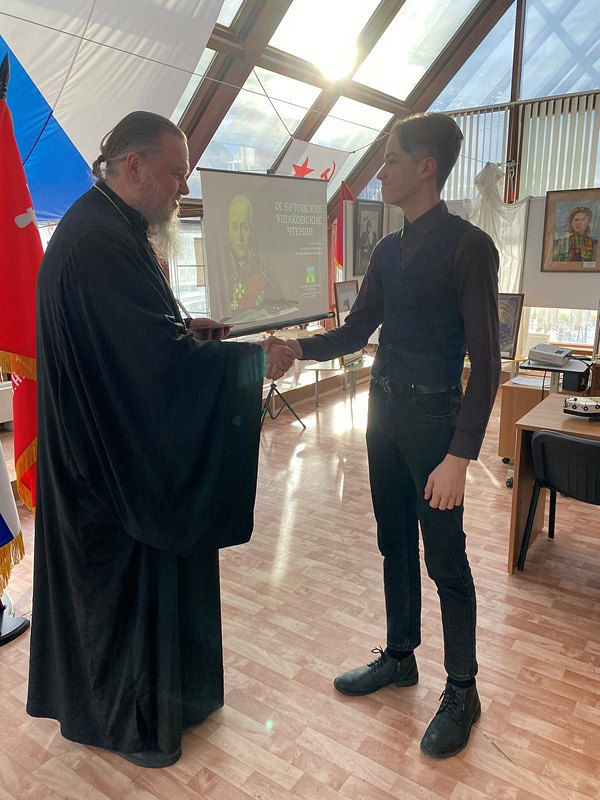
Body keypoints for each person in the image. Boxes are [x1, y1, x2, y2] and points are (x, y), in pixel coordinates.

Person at [26, 111, 294, 768]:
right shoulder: (98, 242)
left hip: (107, 448)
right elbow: (150, 370)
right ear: (134, 166)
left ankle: (174, 703)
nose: (183, 189)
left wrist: (187, 332)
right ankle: (129, 724)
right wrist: (252, 361)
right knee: (119, 599)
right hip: (107, 473)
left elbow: (139, 343)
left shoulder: (109, 228)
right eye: (176, 174)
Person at [265, 112, 500, 758]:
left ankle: (463, 689)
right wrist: (297, 347)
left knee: (444, 558)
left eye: (392, 160)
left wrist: (460, 456)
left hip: (435, 425)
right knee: (394, 541)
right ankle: (401, 656)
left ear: (427, 167)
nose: (382, 171)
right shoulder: (387, 252)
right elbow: (355, 331)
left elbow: (488, 365)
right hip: (384, 416)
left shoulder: (468, 247)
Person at [226, 194, 284, 319]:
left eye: (245, 227)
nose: (239, 236)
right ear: (228, 230)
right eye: (234, 227)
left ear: (253, 229)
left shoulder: (267, 282)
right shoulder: (223, 281)